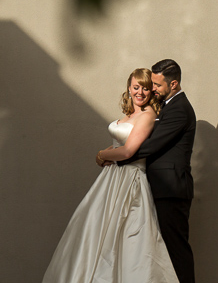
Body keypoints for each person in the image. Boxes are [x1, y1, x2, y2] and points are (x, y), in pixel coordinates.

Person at [41, 69, 179, 283]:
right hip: (111, 177)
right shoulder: (130, 115)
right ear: (129, 88)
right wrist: (108, 152)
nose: (140, 92)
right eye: (135, 87)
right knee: (95, 229)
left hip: (130, 178)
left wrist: (102, 154)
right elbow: (121, 144)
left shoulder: (148, 115)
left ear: (151, 91)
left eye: (145, 88)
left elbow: (128, 152)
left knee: (125, 238)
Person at [114, 59, 196, 283]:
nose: (153, 89)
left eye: (157, 85)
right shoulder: (167, 106)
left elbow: (153, 144)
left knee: (176, 250)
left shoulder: (180, 109)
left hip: (171, 190)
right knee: (162, 252)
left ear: (174, 84)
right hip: (159, 187)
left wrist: (121, 156)